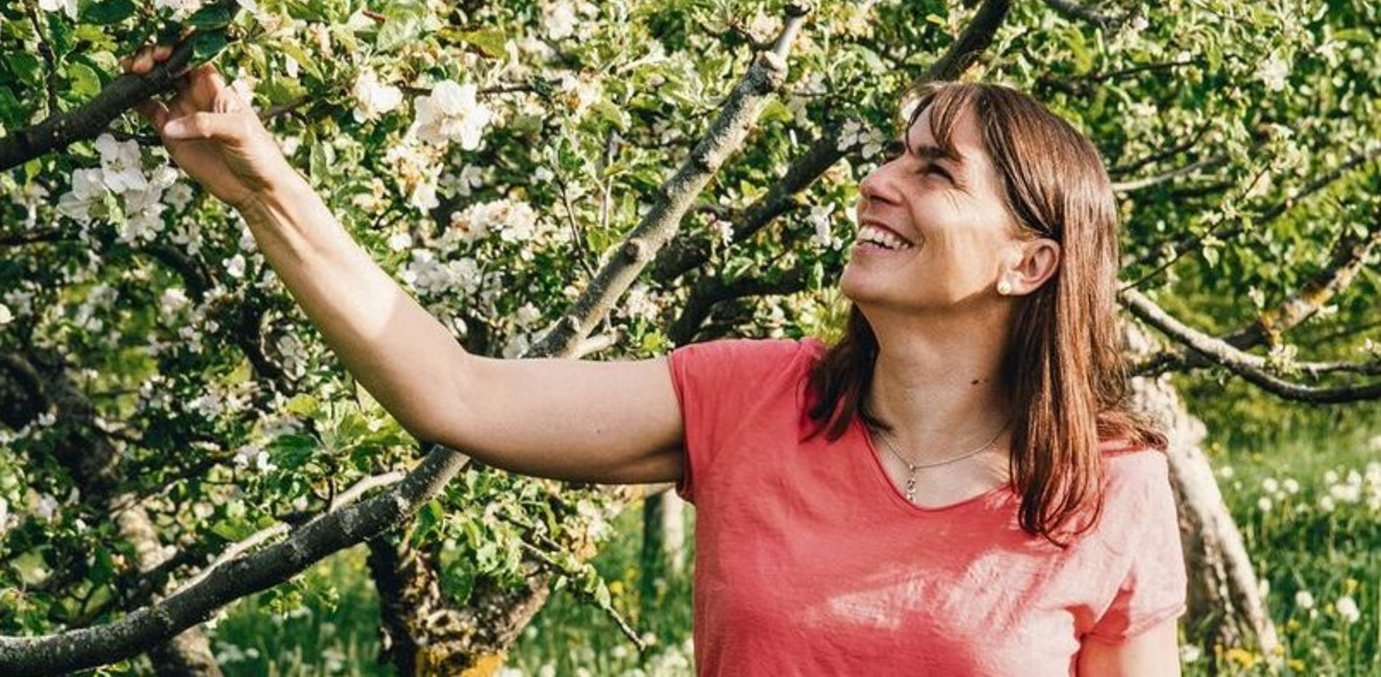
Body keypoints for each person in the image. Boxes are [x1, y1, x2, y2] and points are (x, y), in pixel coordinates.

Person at [123, 44, 1187, 675]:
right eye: (890, 150)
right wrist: (266, 183)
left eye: (934, 169)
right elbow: (453, 388)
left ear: (1027, 261)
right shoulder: (749, 397)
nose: (875, 179)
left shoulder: (1108, 487)